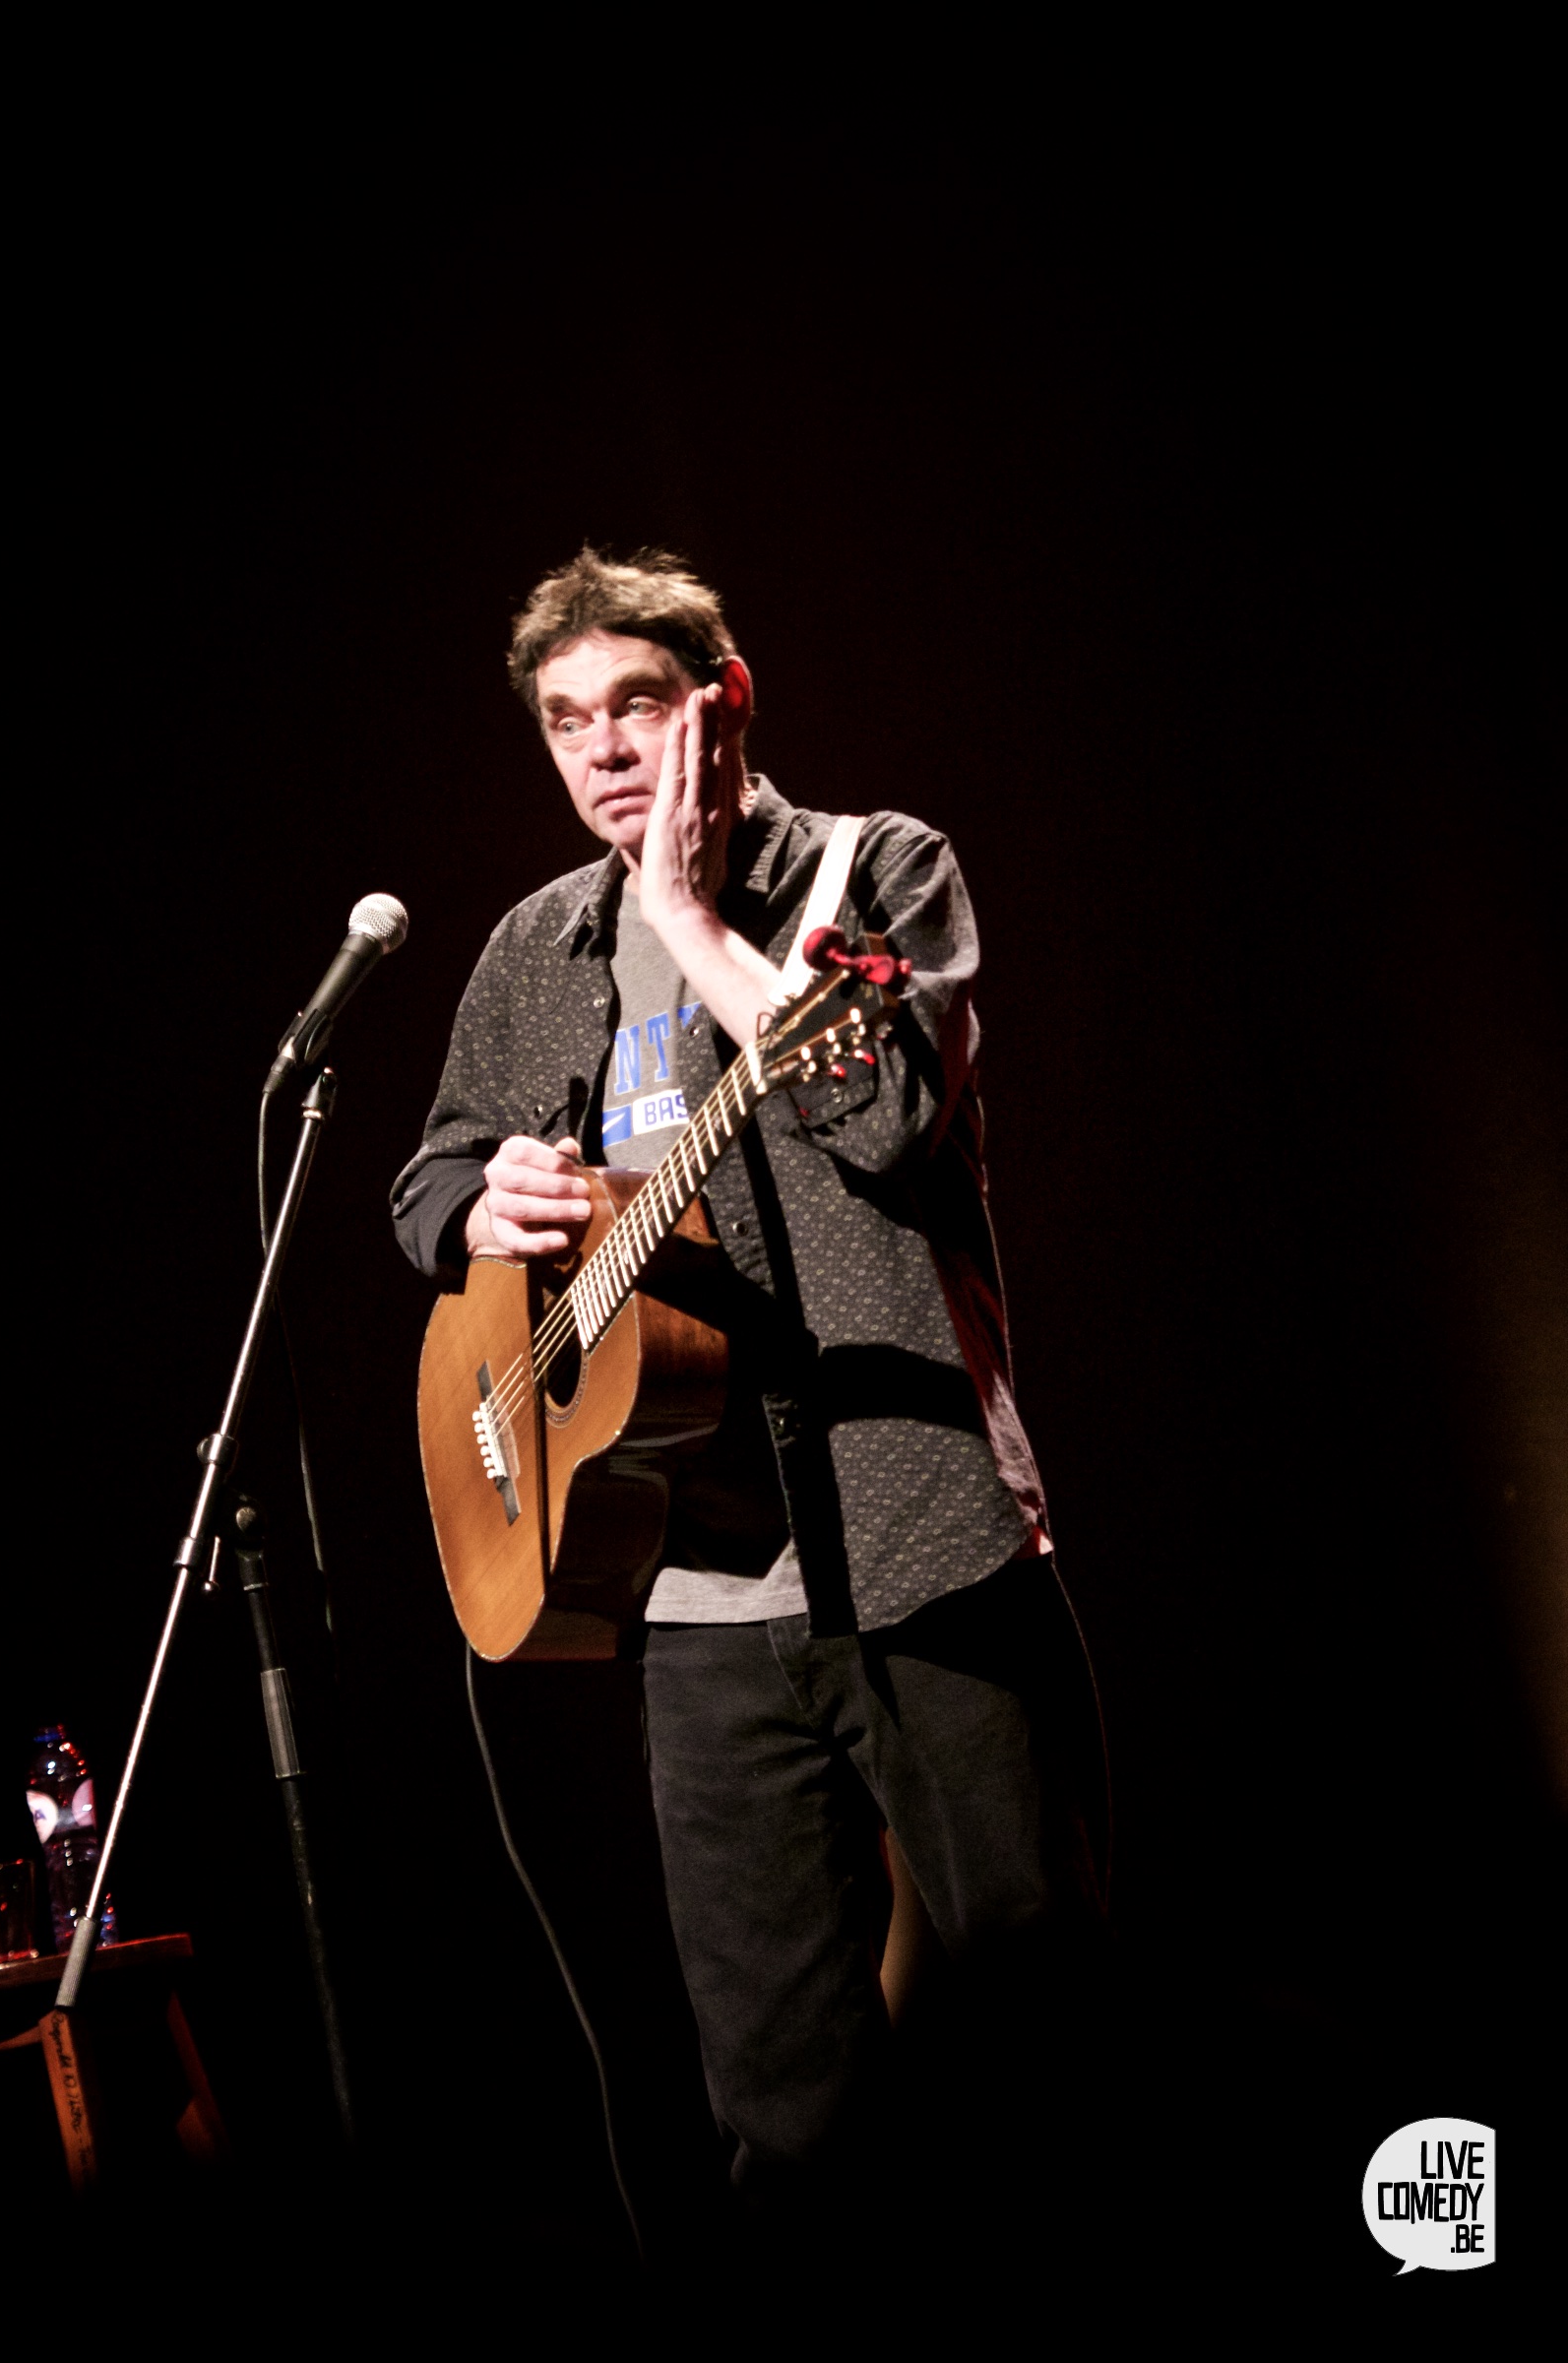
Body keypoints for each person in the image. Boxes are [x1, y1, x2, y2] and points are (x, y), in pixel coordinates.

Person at [391, 547, 1107, 2243]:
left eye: (636, 703)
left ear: (725, 702)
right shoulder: (537, 946)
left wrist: (697, 922)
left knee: (1045, 2042)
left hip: (923, 1550)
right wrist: (478, 1207)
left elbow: (880, 1124)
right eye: (568, 723)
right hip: (693, 1599)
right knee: (785, 2113)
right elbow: (428, 1181)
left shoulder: (874, 875)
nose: (602, 751)